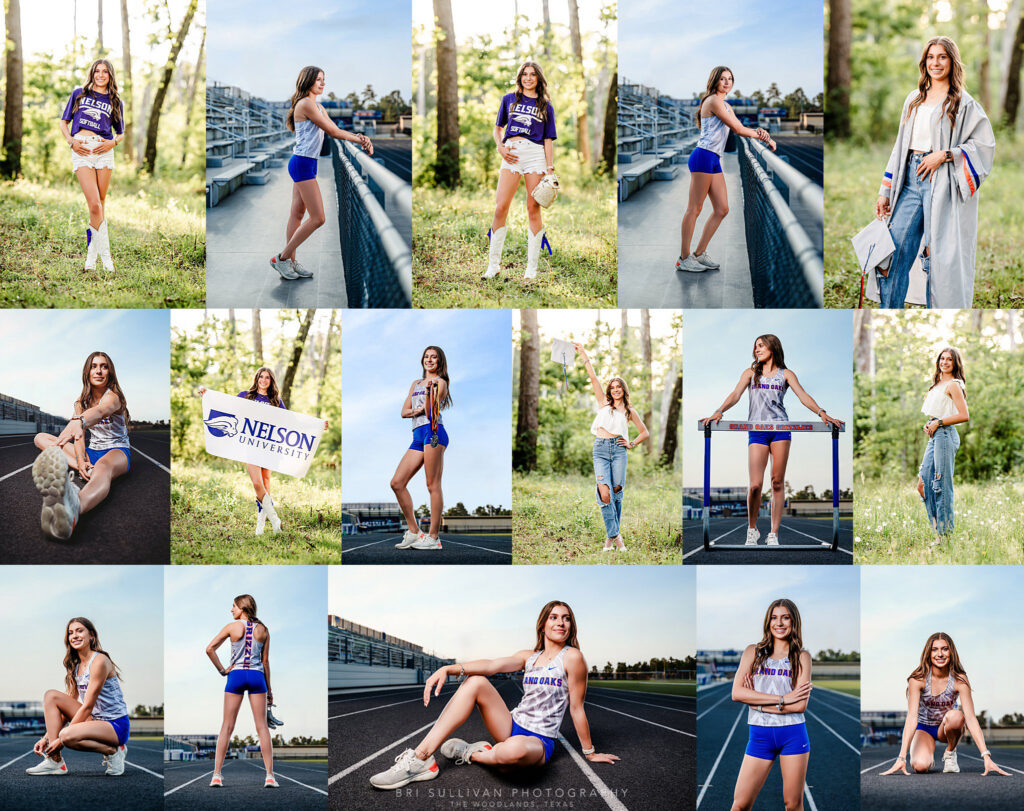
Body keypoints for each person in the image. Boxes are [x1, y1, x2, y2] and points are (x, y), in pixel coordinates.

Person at [369, 601, 618, 789]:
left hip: (539, 741)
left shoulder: (573, 658)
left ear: (571, 625)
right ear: (543, 624)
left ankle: (472, 753)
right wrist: (449, 668)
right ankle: (421, 758)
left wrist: (590, 752)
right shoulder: (528, 656)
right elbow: (491, 665)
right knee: (476, 681)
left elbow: (576, 708)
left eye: (566, 619)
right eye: (554, 617)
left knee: (513, 755)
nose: (560, 623)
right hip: (510, 725)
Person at [873, 36, 995, 308]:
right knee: (892, 253)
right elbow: (899, 147)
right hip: (909, 180)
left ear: (952, 62)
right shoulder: (913, 99)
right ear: (924, 62)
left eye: (942, 57)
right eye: (930, 57)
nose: (935, 62)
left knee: (938, 256)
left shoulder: (963, 103)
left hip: (942, 182)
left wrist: (946, 154)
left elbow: (984, 145)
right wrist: (885, 190)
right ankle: (888, 309)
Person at [700, 334, 844, 546]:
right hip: (757, 431)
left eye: (761, 346)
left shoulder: (786, 374)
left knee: (777, 482)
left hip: (781, 430)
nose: (757, 350)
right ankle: (752, 530)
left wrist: (822, 413)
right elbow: (736, 394)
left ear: (773, 347)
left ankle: (774, 533)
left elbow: (803, 395)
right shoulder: (750, 373)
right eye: (755, 347)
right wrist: (719, 411)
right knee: (755, 485)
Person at [270, 66, 373, 280]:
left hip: (307, 163)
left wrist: (358, 136)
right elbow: (333, 132)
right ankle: (281, 259)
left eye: (323, 80)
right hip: (302, 164)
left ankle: (289, 262)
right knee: (318, 218)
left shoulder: (317, 106)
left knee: (297, 214)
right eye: (318, 80)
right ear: (307, 81)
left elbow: (336, 129)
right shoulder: (306, 104)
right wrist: (361, 140)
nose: (322, 83)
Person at [199, 367, 328, 534]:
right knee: (256, 484)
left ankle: (260, 525)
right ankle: (275, 520)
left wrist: (317, 425)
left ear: (271, 381)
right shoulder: (247, 396)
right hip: (251, 447)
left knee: (266, 484)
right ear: (257, 378)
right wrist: (208, 394)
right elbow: (227, 405)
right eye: (261, 377)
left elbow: (292, 421)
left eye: (267, 377)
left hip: (268, 449)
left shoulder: (276, 401)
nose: (263, 380)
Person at [677, 66, 775, 273]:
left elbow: (741, 127)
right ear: (714, 81)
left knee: (722, 209)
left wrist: (762, 134)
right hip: (703, 156)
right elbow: (739, 130)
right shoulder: (712, 101)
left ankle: (699, 254)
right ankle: (684, 258)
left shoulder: (726, 105)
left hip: (714, 159)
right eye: (722, 79)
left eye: (730, 79)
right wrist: (763, 136)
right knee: (694, 209)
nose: (727, 82)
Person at [32, 351, 131, 540]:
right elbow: (79, 436)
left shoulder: (114, 397)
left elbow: (101, 411)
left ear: (110, 372)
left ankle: (74, 508)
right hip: (91, 452)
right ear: (87, 372)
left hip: (116, 451)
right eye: (94, 366)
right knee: (40, 438)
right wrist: (80, 459)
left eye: (104, 366)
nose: (99, 371)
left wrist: (80, 420)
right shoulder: (80, 402)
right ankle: (86, 469)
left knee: (104, 467)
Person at [880, 632, 1010, 777]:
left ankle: (950, 752)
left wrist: (986, 756)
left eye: (945, 649)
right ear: (928, 653)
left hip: (946, 727)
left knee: (956, 716)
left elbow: (971, 718)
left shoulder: (960, 679)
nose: (940, 654)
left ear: (951, 652)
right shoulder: (917, 679)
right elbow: (911, 717)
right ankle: (928, 757)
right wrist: (901, 757)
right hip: (924, 728)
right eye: (934, 649)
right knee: (920, 766)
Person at [729, 599, 812, 811]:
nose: (779, 623)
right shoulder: (752, 652)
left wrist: (755, 701)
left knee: (793, 805)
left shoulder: (802, 657)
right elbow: (737, 693)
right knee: (740, 804)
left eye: (785, 617)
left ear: (794, 622)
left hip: (793, 734)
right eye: (774, 617)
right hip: (759, 735)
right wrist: (783, 699)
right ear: (768, 622)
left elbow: (799, 705)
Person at [26, 617, 130, 776]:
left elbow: (87, 706)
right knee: (51, 696)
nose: (74, 635)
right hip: (94, 721)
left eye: (80, 631)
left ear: (92, 636)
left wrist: (60, 740)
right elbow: (70, 704)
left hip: (115, 726)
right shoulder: (75, 667)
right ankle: (54, 761)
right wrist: (46, 739)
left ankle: (112, 750)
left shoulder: (100, 661)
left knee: (67, 736)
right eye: (70, 632)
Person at [483, 61, 558, 281]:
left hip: (535, 155)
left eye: (533, 75)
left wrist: (550, 169)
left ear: (538, 78)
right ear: (520, 77)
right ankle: (493, 265)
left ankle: (531, 269)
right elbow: (498, 129)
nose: (528, 78)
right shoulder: (509, 99)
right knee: (500, 208)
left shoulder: (546, 105)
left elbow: (548, 140)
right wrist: (501, 148)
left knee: (533, 208)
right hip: (511, 153)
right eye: (525, 74)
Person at [574, 343, 649, 551]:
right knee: (604, 493)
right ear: (610, 390)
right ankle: (616, 537)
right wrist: (583, 354)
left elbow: (645, 432)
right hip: (600, 449)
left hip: (618, 451)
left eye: (619, 387)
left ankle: (609, 539)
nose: (615, 390)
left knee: (616, 493)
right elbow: (593, 378)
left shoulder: (629, 411)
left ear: (624, 390)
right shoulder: (603, 404)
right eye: (613, 387)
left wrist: (632, 443)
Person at [205, 594, 278, 788]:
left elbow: (209, 649)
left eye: (234, 606)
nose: (231, 610)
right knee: (262, 728)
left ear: (243, 608)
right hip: (256, 677)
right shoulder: (264, 630)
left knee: (227, 727)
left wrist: (222, 670)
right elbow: (265, 663)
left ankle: (216, 775)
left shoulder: (232, 627)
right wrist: (269, 691)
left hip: (236, 676)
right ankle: (270, 776)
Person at [59, 59, 125, 271]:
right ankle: (105, 258)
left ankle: (92, 259)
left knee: (101, 205)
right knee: (95, 205)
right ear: (92, 73)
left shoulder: (115, 101)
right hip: (82, 149)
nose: (101, 75)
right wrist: (71, 142)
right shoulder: (79, 93)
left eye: (105, 72)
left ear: (110, 75)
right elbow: (64, 122)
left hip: (104, 151)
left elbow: (121, 133)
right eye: (97, 71)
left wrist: (112, 143)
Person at [391, 347, 451, 551]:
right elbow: (403, 412)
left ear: (440, 362)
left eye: (434, 357)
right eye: (427, 356)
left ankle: (434, 537)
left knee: (432, 484)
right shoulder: (415, 383)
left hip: (433, 432)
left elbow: (432, 412)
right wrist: (417, 408)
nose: (429, 360)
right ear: (422, 360)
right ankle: (415, 531)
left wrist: (427, 395)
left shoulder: (440, 383)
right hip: (417, 435)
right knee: (397, 483)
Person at [917, 348, 968, 542]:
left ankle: (944, 538)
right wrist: (931, 423)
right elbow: (937, 412)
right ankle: (939, 530)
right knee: (922, 485)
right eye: (942, 358)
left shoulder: (954, 385)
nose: (944, 362)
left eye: (949, 359)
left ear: (955, 363)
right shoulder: (938, 384)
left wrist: (938, 422)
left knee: (941, 485)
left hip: (945, 435)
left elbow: (964, 415)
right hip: (935, 435)